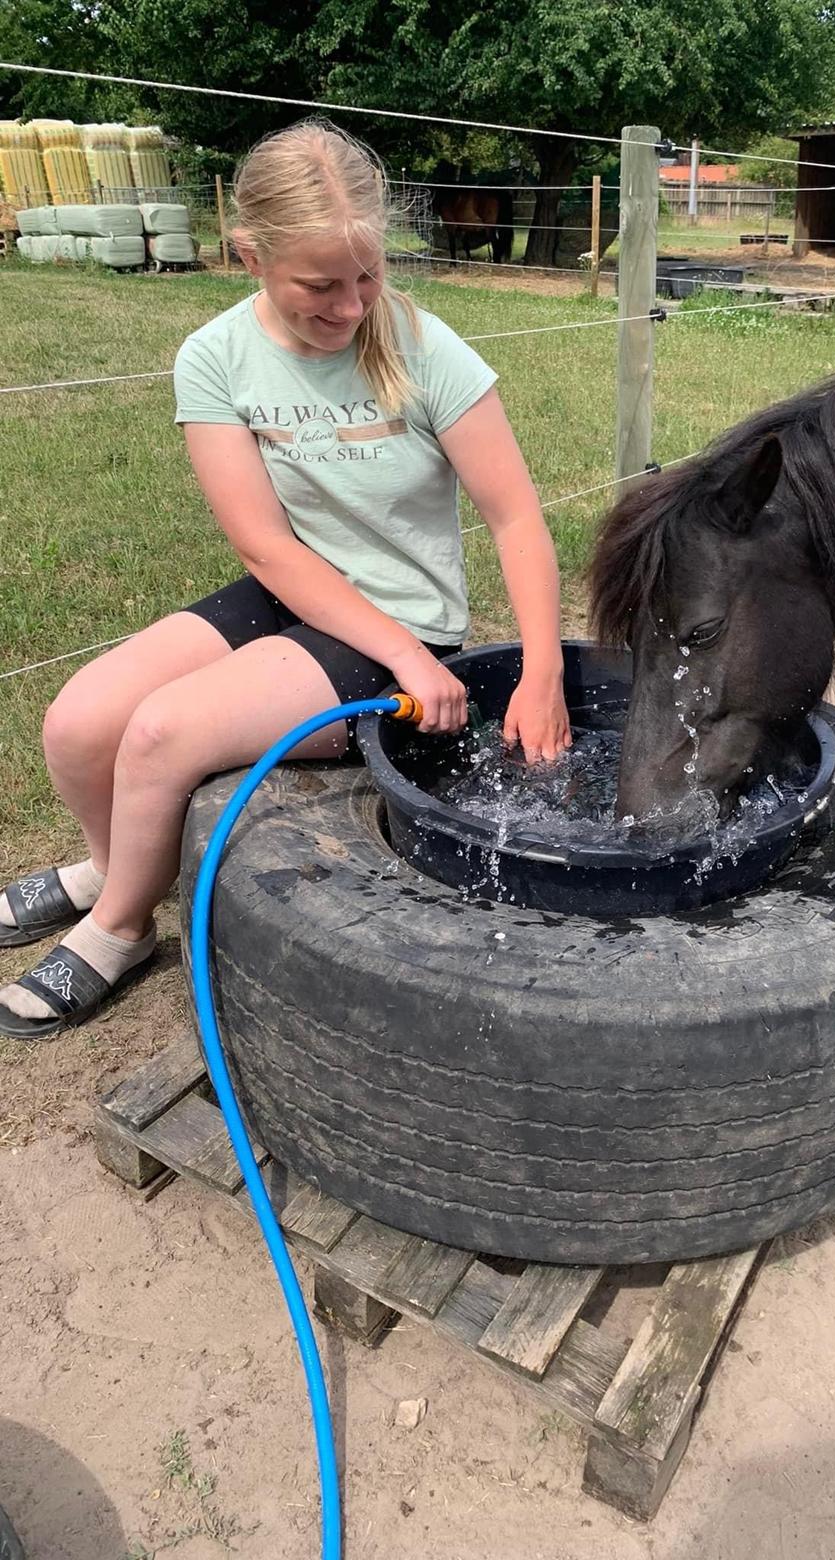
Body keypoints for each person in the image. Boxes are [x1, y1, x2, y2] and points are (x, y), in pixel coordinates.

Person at [0, 118, 571, 1039]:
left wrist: (537, 671)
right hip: (291, 592)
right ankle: (116, 869)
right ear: (249, 254)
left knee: (157, 736)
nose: (351, 307)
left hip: (407, 628)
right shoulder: (215, 358)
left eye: (368, 277)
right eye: (321, 285)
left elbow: (516, 517)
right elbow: (267, 548)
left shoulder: (426, 349)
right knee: (76, 722)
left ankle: (120, 928)